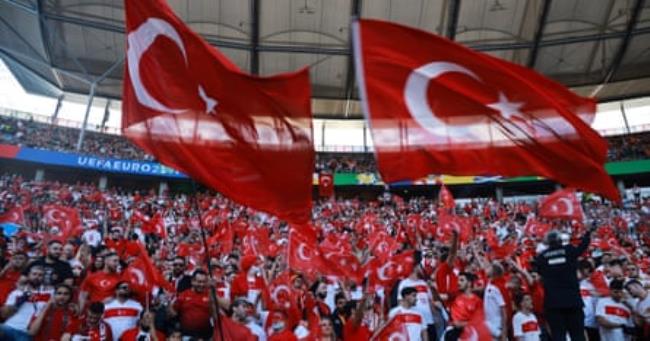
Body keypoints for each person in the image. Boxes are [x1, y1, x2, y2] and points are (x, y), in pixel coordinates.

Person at [535, 226, 594, 341]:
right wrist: (587, 234)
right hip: (573, 301)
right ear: (560, 240)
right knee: (578, 335)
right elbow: (583, 247)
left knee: (559, 336)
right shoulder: (569, 250)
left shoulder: (541, 257)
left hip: (553, 303)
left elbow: (539, 272)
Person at [0, 265, 53, 341]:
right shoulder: (17, 292)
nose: (37, 277)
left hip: (25, 333)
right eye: (34, 274)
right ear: (28, 275)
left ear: (43, 278)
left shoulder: (49, 293)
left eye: (40, 275)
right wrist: (18, 303)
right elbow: (3, 314)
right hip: (7, 327)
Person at [168, 269, 213, 339]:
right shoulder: (183, 295)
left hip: (204, 336)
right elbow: (173, 313)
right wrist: (169, 303)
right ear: (193, 281)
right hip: (186, 335)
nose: (202, 284)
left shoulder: (210, 295)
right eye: (199, 282)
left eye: (204, 282)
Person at [446, 272, 482, 340]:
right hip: (453, 332)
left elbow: (479, 322)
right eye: (458, 280)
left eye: (462, 280)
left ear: (469, 283)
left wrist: (463, 324)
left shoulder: (477, 301)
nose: (458, 282)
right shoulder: (456, 298)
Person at [484, 262, 508, 341]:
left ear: (494, 271)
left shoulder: (499, 286)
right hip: (489, 326)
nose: (487, 268)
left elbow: (504, 310)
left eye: (489, 267)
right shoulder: (490, 283)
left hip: (497, 327)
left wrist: (504, 333)